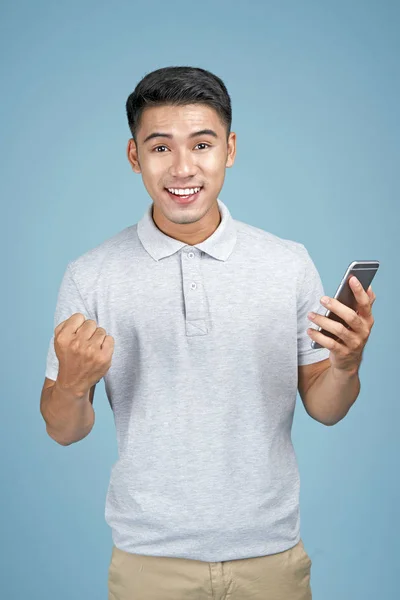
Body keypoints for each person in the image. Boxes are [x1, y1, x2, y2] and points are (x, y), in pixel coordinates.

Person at [40, 66, 376, 600]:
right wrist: (74, 383)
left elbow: (326, 408)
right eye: (159, 147)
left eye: (202, 144)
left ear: (230, 149)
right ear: (134, 157)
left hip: (272, 557)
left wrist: (345, 364)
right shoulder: (91, 274)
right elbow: (63, 429)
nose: (182, 167)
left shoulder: (288, 263)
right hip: (148, 562)